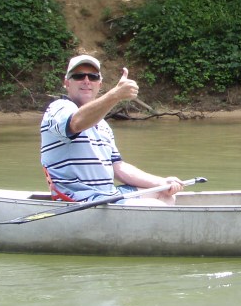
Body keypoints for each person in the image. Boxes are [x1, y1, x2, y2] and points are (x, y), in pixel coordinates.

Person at [40, 54, 184, 204]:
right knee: (153, 205)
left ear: (99, 84)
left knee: (164, 194)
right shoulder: (58, 108)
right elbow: (75, 123)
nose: (86, 81)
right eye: (79, 76)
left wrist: (161, 182)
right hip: (80, 200)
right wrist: (115, 95)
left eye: (93, 77)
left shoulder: (102, 124)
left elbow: (118, 167)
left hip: (108, 195)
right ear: (67, 83)